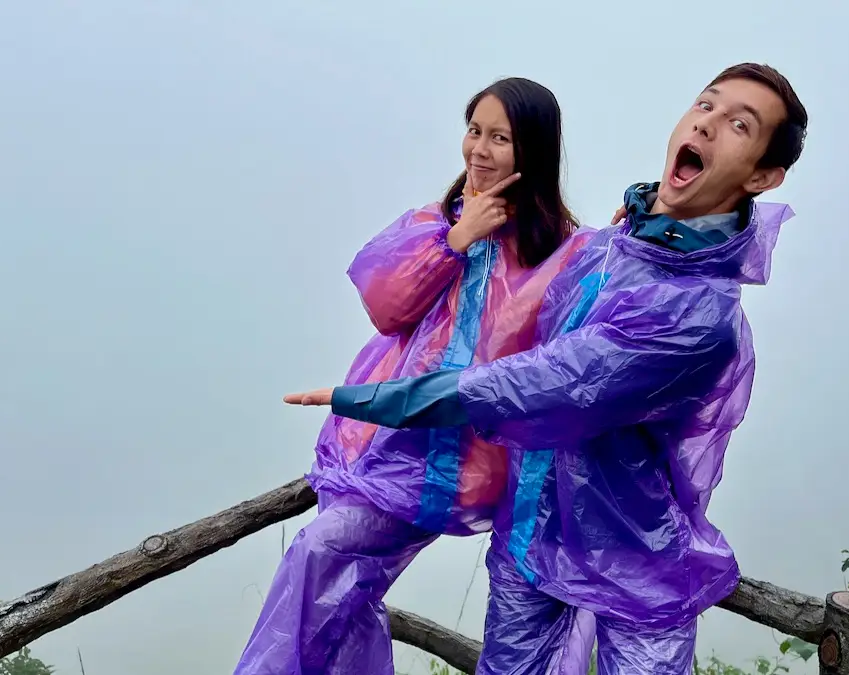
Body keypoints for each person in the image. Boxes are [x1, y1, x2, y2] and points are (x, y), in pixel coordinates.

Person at [283, 62, 810, 674]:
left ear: (763, 176)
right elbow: (480, 315)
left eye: (739, 125)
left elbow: (539, 383)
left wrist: (376, 399)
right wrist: (465, 236)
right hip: (531, 537)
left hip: (634, 561)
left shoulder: (695, 315)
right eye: (706, 105)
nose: (709, 124)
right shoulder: (613, 247)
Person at [234, 77, 599, 675]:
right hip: (380, 445)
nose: (478, 149)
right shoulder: (435, 222)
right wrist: (455, 240)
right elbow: (387, 309)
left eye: (499, 138)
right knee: (338, 582)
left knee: (322, 556)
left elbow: (572, 358)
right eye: (474, 130)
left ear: (533, 149)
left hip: (465, 464)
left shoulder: (568, 251)